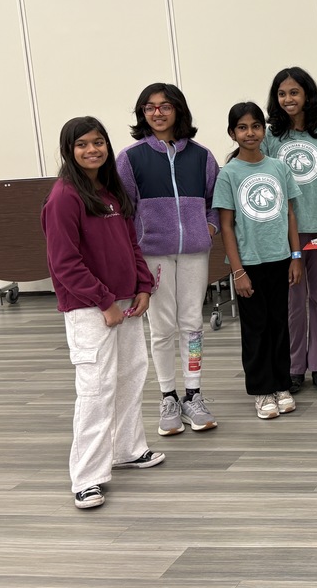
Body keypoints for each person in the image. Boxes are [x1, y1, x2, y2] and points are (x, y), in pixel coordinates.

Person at [41, 117, 164, 510]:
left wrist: (143, 286)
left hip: (125, 303)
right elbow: (64, 263)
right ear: (69, 150)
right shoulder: (63, 197)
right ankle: (87, 477)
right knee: (96, 390)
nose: (92, 150)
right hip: (90, 310)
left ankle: (127, 449)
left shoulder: (111, 192)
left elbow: (131, 245)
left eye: (98, 143)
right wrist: (104, 301)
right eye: (82, 145)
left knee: (130, 377)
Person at [117, 84, 221, 436]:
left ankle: (193, 393)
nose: (157, 113)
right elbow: (124, 209)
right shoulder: (130, 159)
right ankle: (168, 396)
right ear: (142, 113)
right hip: (153, 255)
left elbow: (214, 201)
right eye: (149, 107)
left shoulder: (202, 156)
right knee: (161, 327)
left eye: (164, 106)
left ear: (178, 110)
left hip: (194, 251)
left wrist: (208, 226)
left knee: (192, 323)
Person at [213, 102, 303, 420]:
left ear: (263, 130)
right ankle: (262, 390)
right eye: (242, 127)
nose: (250, 132)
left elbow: (291, 214)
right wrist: (237, 271)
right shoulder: (229, 175)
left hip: (281, 259)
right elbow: (226, 225)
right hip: (249, 263)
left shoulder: (279, 168)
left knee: (280, 324)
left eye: (255, 126)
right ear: (232, 133)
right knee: (256, 327)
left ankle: (281, 385)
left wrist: (296, 257)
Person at [262, 67, 317, 396]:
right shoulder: (270, 139)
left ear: (308, 96)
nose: (288, 99)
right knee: (292, 302)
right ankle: (295, 367)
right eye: (282, 94)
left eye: (294, 92)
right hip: (285, 233)